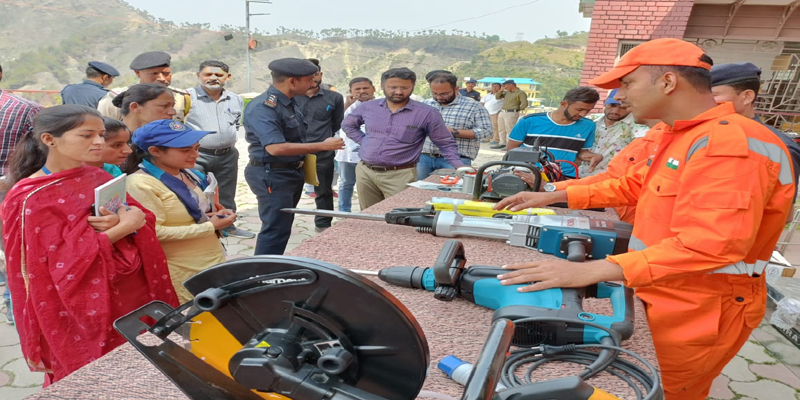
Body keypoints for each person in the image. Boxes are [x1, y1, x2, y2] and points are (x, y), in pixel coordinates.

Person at [494, 38, 795, 400]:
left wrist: (591, 271)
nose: (619, 97)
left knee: (664, 392)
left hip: (699, 307)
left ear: (668, 82)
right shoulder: (682, 134)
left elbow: (712, 244)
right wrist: (555, 194)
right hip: (660, 288)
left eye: (627, 83)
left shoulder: (730, 145)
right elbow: (632, 184)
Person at [1, 105, 178, 385]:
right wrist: (124, 226)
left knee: (141, 361)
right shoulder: (29, 198)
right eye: (87, 135)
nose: (98, 142)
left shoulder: (97, 176)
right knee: (96, 373)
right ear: (49, 139)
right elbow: (57, 265)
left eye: (100, 134)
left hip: (131, 289)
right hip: (78, 304)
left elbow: (136, 213)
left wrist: (128, 217)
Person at [126, 119, 235, 303]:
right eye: (185, 150)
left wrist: (216, 215)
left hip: (211, 260)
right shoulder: (140, 184)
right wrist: (210, 227)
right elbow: (154, 232)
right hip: (183, 269)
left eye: (197, 148)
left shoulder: (188, 173)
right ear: (155, 151)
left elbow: (196, 214)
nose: (195, 155)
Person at [244, 58, 344, 255]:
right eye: (309, 80)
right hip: (272, 174)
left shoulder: (290, 102)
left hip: (291, 172)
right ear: (292, 81)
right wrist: (322, 145)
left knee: (282, 228)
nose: (313, 83)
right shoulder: (264, 107)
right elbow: (275, 148)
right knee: (275, 230)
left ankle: (274, 265)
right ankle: (262, 270)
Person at [341, 67, 465, 210]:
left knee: (398, 215)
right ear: (382, 86)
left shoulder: (427, 113)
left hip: (400, 175)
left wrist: (460, 166)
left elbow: (445, 143)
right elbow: (348, 125)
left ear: (413, 86)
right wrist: (365, 142)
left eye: (405, 88)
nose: (399, 92)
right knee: (368, 215)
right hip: (365, 172)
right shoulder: (368, 107)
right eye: (393, 87)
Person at [710, 61, 800, 204]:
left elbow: (783, 207)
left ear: (747, 96)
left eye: (713, 95)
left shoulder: (779, 147)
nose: (706, 102)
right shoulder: (702, 135)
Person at [185, 60, 253, 239]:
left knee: (226, 194)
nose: (213, 78)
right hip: (196, 155)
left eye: (219, 75)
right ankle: (200, 229)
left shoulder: (236, 99)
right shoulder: (187, 98)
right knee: (196, 193)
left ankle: (227, 226)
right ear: (199, 76)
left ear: (227, 77)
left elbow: (236, 124)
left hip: (227, 154)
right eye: (208, 74)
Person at [0, 63, 43, 324]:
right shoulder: (27, 108)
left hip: (12, 190)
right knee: (16, 253)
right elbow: (44, 150)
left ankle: (13, 304)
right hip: (14, 189)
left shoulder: (25, 108)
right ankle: (15, 308)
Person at [506, 87, 602, 179]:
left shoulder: (588, 125)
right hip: (529, 174)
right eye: (579, 109)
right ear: (564, 104)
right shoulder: (529, 121)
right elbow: (511, 149)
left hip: (564, 176)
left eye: (588, 110)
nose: (583, 114)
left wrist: (592, 156)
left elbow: (582, 152)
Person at [294, 59, 345, 232]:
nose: (312, 78)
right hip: (292, 151)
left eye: (315, 74)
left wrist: (322, 142)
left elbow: (336, 123)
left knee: (323, 190)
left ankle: (323, 224)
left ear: (320, 74)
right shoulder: (290, 98)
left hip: (322, 152)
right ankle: (281, 224)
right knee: (289, 190)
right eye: (306, 75)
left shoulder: (334, 98)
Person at [418, 71, 492, 180]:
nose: (439, 97)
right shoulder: (425, 104)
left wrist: (454, 132)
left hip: (458, 160)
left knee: (451, 189)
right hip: (423, 158)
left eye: (444, 94)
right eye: (434, 93)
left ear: (456, 89)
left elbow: (487, 131)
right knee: (417, 189)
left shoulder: (474, 106)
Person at [97, 51, 191, 122]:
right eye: (154, 73)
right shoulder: (118, 97)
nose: (162, 78)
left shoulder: (182, 98)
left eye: (166, 73)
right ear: (138, 73)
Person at [579, 88, 649, 177]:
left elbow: (643, 145)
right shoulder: (590, 120)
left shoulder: (638, 124)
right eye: (612, 105)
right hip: (578, 175)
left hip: (611, 180)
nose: (615, 111)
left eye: (623, 107)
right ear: (604, 102)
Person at [335, 77, 376, 213]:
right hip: (347, 152)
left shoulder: (382, 105)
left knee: (369, 185)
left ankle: (370, 212)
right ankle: (344, 211)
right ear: (351, 91)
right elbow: (335, 122)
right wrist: (347, 104)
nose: (362, 91)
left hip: (372, 153)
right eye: (357, 89)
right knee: (346, 183)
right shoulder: (346, 106)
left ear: (373, 89)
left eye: (365, 88)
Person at [491, 79, 528, 149]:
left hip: (511, 112)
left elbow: (524, 104)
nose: (505, 87)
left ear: (511, 85)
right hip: (502, 112)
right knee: (501, 129)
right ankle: (502, 143)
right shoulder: (507, 92)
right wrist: (501, 90)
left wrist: (516, 109)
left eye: (505, 86)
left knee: (509, 129)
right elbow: (497, 97)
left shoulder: (520, 93)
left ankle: (509, 145)